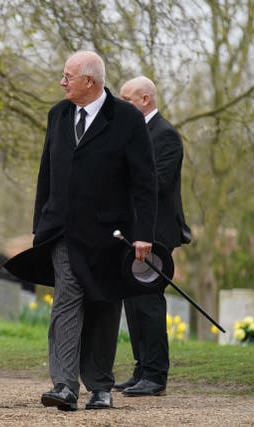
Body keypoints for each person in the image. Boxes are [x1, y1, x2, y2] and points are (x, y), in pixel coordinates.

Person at [6, 51, 157, 411]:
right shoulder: (57, 115)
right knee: (66, 303)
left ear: (89, 81)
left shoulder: (127, 118)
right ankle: (65, 385)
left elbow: (145, 181)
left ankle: (100, 386)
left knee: (104, 305)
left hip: (110, 234)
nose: (62, 82)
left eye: (67, 76)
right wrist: (39, 225)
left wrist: (143, 233)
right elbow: (47, 173)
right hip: (62, 231)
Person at [113, 76, 191, 397]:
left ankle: (156, 374)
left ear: (145, 100)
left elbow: (155, 184)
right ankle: (141, 367)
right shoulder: (131, 134)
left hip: (157, 231)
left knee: (148, 301)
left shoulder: (166, 136)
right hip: (131, 230)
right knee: (132, 300)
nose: (122, 106)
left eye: (127, 100)